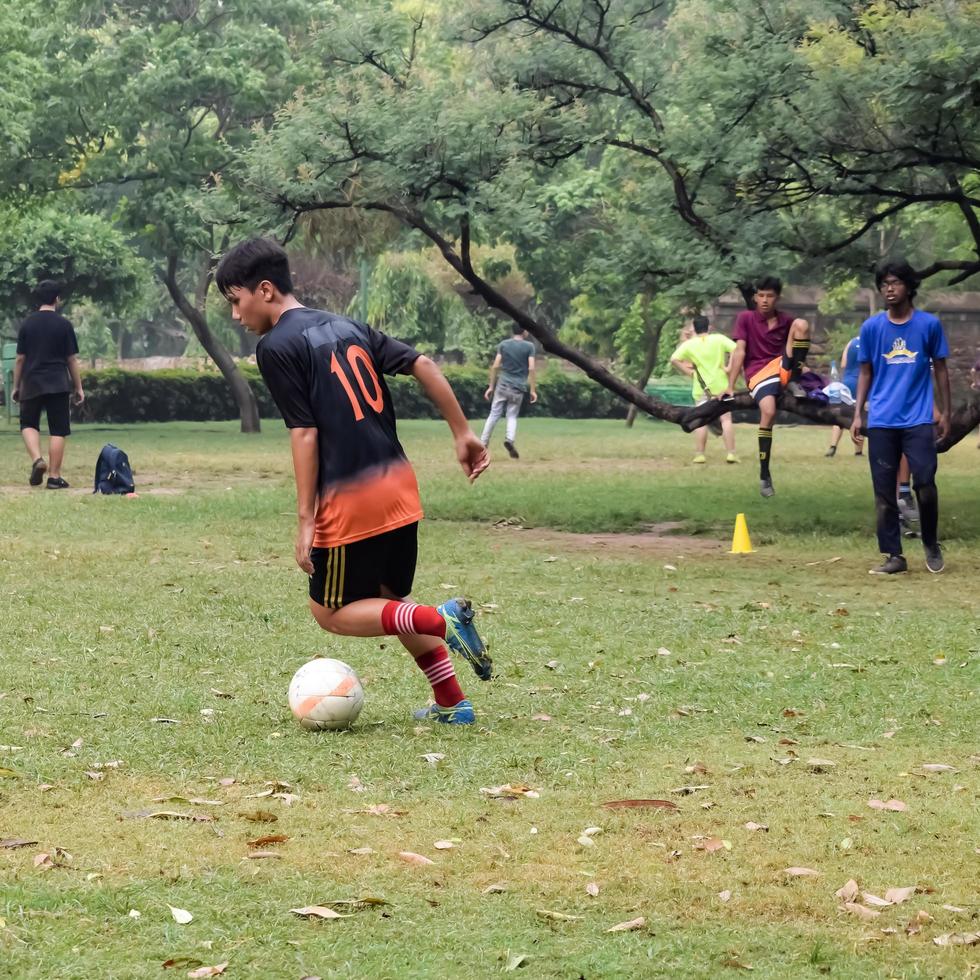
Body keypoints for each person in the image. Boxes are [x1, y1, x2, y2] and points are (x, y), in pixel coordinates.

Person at [215, 238, 492, 725]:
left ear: (265, 290)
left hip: (350, 499)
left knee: (330, 612)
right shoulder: (346, 325)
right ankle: (453, 703)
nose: (236, 315)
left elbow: (304, 433)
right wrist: (462, 433)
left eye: (236, 301)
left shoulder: (276, 346)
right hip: (400, 488)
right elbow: (422, 364)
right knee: (388, 597)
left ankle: (440, 618)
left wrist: (305, 520)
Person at [850, 259, 950, 575]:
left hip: (918, 419)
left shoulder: (929, 325)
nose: (889, 289)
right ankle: (894, 555)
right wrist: (857, 413)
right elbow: (865, 371)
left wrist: (945, 411)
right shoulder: (871, 328)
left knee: (925, 483)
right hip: (881, 420)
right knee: (884, 494)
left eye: (895, 283)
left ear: (909, 286)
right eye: (884, 284)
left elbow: (942, 368)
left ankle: (931, 542)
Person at [725, 277, 811, 497]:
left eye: (770, 296)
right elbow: (740, 351)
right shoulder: (745, 318)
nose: (764, 300)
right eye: (761, 295)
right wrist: (730, 386)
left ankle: (795, 380)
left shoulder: (785, 320)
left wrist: (799, 369)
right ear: (755, 297)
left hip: (780, 368)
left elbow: (793, 348)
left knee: (801, 324)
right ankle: (764, 473)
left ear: (777, 298)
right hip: (758, 373)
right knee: (769, 411)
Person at [12, 280, 85, 489]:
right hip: (58, 383)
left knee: (28, 424)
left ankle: (37, 460)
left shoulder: (27, 324)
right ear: (57, 299)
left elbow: (20, 359)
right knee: (58, 429)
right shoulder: (64, 325)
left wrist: (17, 386)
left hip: (32, 382)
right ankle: (54, 477)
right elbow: (71, 359)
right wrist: (78, 387)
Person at [670, 315, 738, 464]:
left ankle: (700, 454)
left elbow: (674, 359)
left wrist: (689, 373)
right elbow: (736, 349)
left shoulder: (690, 344)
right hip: (721, 385)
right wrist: (729, 367)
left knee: (700, 420)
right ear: (709, 327)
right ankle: (731, 453)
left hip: (701, 387)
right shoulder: (718, 339)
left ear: (694, 328)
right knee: (725, 419)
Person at [480, 325, 536, 459]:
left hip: (503, 384)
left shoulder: (503, 345)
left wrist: (491, 386)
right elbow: (532, 368)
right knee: (511, 415)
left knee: (494, 414)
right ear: (524, 331)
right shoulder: (530, 347)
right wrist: (533, 390)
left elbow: (495, 365)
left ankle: (482, 443)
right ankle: (509, 439)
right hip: (518, 387)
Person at [826, 335, 864, 457]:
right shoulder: (872, 342)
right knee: (860, 415)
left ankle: (833, 446)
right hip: (862, 382)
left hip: (847, 382)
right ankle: (858, 451)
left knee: (840, 414)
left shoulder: (851, 342)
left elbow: (843, 364)